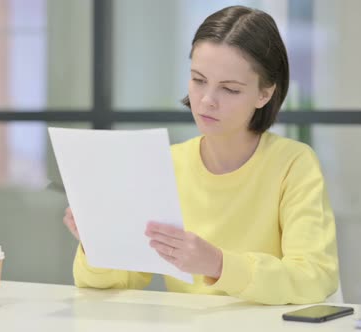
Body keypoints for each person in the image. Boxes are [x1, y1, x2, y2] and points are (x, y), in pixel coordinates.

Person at [62, 5, 338, 305]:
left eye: (229, 89)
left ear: (265, 94)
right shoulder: (165, 164)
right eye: (198, 80)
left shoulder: (293, 164)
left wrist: (219, 264)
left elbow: (314, 277)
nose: (207, 100)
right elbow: (118, 281)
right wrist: (99, 243)